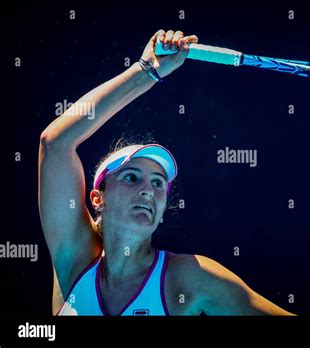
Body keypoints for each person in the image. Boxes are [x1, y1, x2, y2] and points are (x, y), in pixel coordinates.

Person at [38, 29, 295, 316]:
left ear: (161, 212)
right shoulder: (74, 260)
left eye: (158, 183)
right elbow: (55, 143)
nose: (148, 189)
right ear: (98, 199)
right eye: (131, 177)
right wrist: (147, 70)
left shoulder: (189, 278)